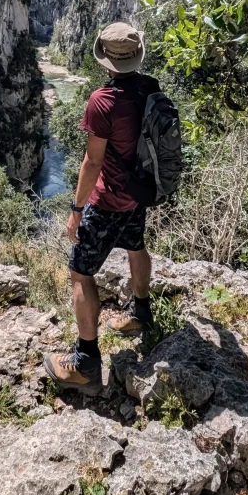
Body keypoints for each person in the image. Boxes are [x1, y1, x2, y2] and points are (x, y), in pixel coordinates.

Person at [44, 21, 159, 395]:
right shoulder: (149, 88)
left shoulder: (102, 101)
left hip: (108, 200)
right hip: (138, 195)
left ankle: (86, 362)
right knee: (137, 247)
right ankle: (141, 312)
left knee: (80, 272)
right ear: (135, 55)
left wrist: (77, 209)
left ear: (105, 59)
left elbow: (92, 163)